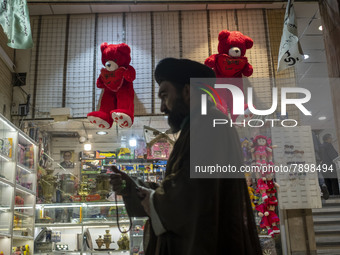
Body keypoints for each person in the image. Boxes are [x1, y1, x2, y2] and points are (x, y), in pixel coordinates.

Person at [110, 58, 262, 255]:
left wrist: (150, 197)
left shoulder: (209, 123)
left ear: (187, 91)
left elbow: (190, 197)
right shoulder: (199, 125)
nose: (163, 107)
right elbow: (183, 187)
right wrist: (133, 187)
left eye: (164, 96)